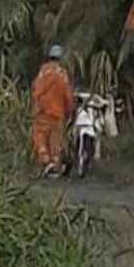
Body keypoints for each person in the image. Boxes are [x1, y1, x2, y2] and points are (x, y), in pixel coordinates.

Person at [30, 44, 74, 177]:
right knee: (55, 141)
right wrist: (70, 110)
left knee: (40, 138)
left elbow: (35, 91)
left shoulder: (42, 72)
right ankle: (54, 165)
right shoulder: (62, 74)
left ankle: (45, 161)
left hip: (42, 112)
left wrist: (34, 108)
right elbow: (68, 95)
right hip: (58, 113)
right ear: (60, 58)